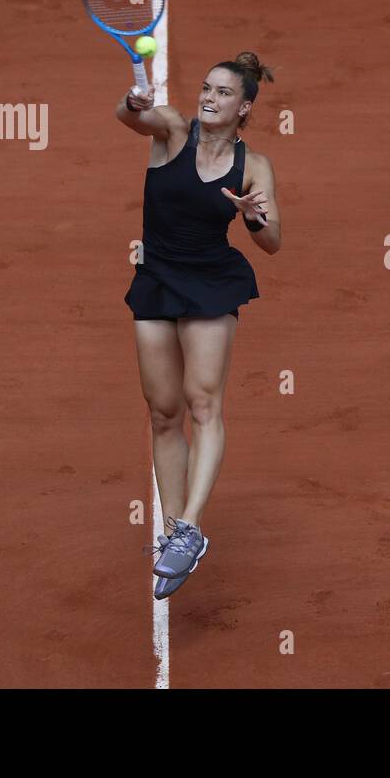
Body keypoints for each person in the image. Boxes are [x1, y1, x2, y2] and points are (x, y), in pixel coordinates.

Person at [117, 51, 282, 599]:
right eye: (206, 89)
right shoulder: (170, 131)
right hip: (157, 279)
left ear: (245, 107)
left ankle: (189, 528)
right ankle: (171, 535)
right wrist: (131, 101)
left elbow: (272, 241)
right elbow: (130, 115)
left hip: (211, 282)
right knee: (164, 412)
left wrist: (253, 215)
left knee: (202, 400)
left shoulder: (254, 164)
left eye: (223, 92)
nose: (209, 98)